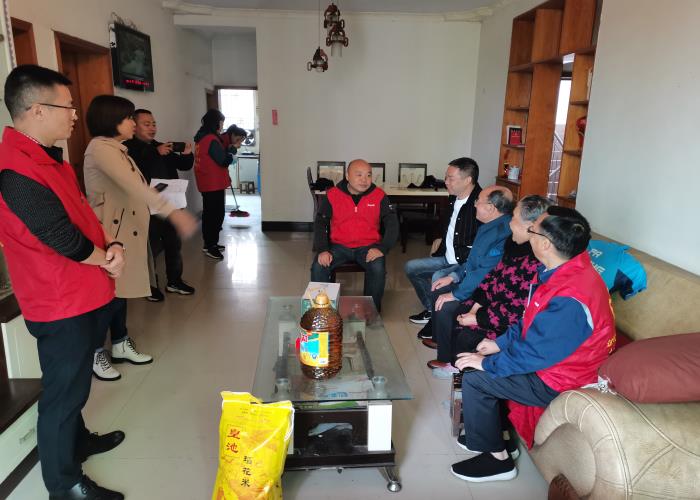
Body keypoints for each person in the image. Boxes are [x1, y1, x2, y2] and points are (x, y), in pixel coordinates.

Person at [0, 65, 125, 499]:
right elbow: (60, 238)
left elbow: (81, 216)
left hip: (82, 292)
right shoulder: (16, 171)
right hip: (60, 302)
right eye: (67, 107)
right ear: (37, 110)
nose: (75, 115)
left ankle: (79, 442)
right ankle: (64, 484)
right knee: (62, 395)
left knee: (75, 385)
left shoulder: (46, 156)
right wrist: (107, 259)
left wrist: (111, 245)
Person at [451, 206, 615, 483]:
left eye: (533, 229)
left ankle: (497, 460)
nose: (528, 232)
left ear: (546, 244)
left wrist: (488, 363)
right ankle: (501, 438)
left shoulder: (572, 296)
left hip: (564, 378)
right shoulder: (559, 272)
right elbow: (529, 320)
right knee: (478, 356)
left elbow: (536, 354)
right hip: (552, 361)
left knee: (476, 378)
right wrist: (499, 344)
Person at [84, 95, 196, 382]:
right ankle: (95, 353)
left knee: (119, 293)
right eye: (128, 118)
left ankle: (120, 343)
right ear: (112, 120)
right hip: (110, 232)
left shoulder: (118, 148)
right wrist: (174, 213)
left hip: (124, 230)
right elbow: (134, 186)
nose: (133, 123)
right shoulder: (101, 148)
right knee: (106, 296)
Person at [428, 195, 551, 378]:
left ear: (531, 226)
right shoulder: (513, 244)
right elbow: (493, 277)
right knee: (460, 311)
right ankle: (454, 364)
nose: (510, 223)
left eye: (514, 218)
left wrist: (478, 318)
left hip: (504, 318)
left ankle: (461, 371)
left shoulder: (536, 262)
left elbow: (519, 310)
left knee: (466, 331)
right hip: (493, 304)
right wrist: (475, 308)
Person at [416, 186, 514, 342]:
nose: (475, 204)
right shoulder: (489, 226)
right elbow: (472, 261)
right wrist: (454, 276)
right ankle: (438, 335)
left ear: (490, 208)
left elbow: (484, 272)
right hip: (471, 281)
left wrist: (456, 294)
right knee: (439, 286)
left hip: (483, 291)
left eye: (478, 201)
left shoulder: (502, 232)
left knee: (445, 303)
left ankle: (444, 346)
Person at [124, 109, 196, 298]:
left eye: (154, 124)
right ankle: (149, 286)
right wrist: (155, 153)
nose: (152, 128)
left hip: (169, 205)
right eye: (146, 124)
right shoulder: (127, 148)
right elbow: (133, 172)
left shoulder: (161, 146)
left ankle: (174, 281)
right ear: (134, 126)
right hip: (145, 207)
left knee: (173, 244)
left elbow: (184, 165)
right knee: (150, 247)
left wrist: (187, 154)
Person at [310, 159, 398, 311]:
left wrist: (382, 248)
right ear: (347, 176)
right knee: (319, 266)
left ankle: (371, 313)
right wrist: (323, 249)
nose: (364, 180)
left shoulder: (379, 195)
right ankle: (322, 312)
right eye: (359, 175)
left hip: (368, 247)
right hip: (339, 247)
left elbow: (392, 223)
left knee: (377, 267)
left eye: (368, 175)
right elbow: (320, 223)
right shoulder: (333, 195)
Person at [404, 157, 481, 324]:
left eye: (450, 178)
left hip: (463, 262)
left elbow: (481, 245)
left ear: (468, 180)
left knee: (438, 276)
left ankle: (437, 320)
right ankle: (432, 309)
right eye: (446, 177)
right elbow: (451, 225)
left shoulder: (480, 204)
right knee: (411, 267)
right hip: (446, 256)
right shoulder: (453, 197)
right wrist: (441, 240)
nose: (446, 182)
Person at [194, 109, 233, 260]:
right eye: (221, 122)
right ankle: (211, 246)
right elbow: (222, 160)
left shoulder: (201, 137)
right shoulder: (210, 139)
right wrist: (231, 155)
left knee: (210, 214)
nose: (222, 125)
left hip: (207, 182)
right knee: (215, 215)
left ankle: (210, 243)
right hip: (212, 184)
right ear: (215, 122)